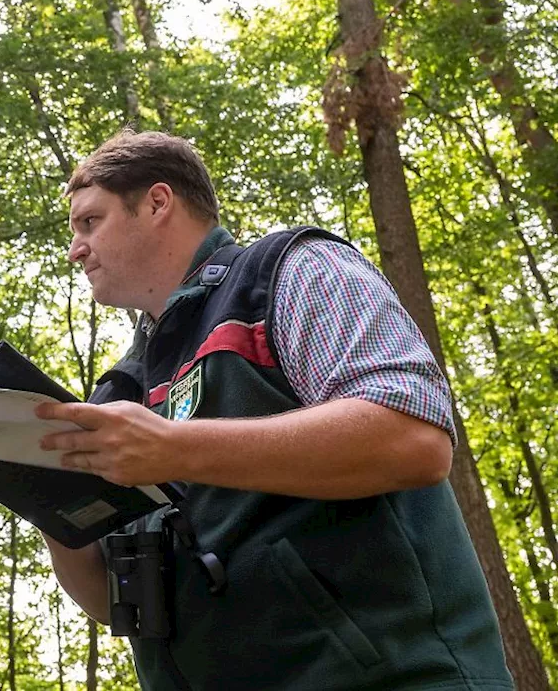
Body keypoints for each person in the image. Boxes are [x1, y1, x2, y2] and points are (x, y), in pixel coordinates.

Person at [35, 130, 513, 690]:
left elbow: (412, 436)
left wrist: (173, 449)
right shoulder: (120, 388)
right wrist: (48, 506)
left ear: (158, 202)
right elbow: (113, 602)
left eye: (90, 222)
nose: (76, 249)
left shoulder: (291, 271)